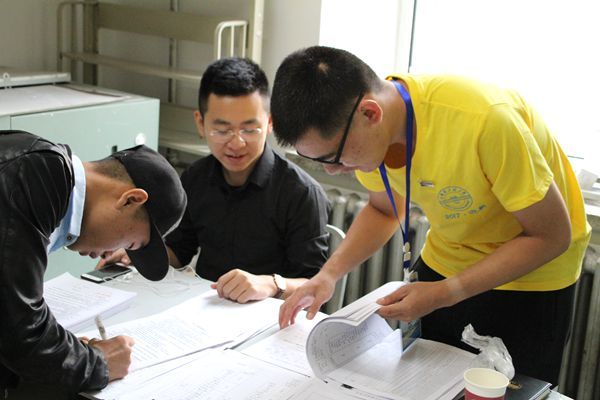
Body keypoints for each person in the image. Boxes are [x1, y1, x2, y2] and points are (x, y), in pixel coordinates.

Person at [272, 46, 591, 384]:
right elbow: (383, 210)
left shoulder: (485, 121)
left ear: (370, 113)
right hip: (447, 263)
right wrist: (328, 275)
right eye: (318, 161)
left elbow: (550, 236)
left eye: (333, 157)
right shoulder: (369, 134)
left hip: (530, 278)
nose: (333, 171)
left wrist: (446, 292)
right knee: (424, 384)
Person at [100, 57, 330, 304]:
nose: (237, 143)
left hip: (270, 316)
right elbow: (179, 250)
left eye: (249, 129)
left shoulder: (301, 193)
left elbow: (315, 285)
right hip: (205, 307)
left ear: (270, 123)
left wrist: (271, 284)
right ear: (201, 123)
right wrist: (137, 253)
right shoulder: (195, 177)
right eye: (222, 130)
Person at [0, 130, 187, 393]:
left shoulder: (42, 170)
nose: (108, 253)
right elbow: (18, 332)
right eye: (129, 244)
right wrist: (99, 363)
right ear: (131, 200)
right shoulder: (33, 176)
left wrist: (65, 349)